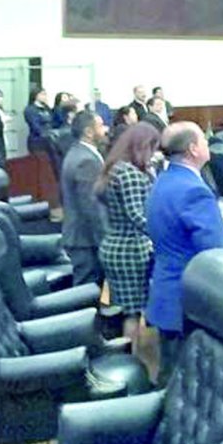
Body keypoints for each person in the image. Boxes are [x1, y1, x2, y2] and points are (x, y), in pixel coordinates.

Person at [145, 122, 223, 376]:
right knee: (185, 380)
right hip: (188, 300)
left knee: (170, 373)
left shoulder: (164, 180)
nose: (207, 143)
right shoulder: (194, 190)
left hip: (165, 290)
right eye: (204, 139)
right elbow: (217, 253)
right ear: (193, 149)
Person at [96, 123, 159, 364]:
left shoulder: (114, 168)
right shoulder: (130, 173)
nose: (153, 154)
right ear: (142, 146)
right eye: (152, 147)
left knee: (124, 311)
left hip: (114, 246)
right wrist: (162, 234)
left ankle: (123, 360)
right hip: (129, 251)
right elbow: (137, 215)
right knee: (132, 314)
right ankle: (130, 366)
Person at [60, 108, 107, 285]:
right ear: (88, 132)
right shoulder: (86, 161)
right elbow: (92, 207)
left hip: (82, 235)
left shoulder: (79, 153)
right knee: (85, 291)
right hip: (84, 239)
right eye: (101, 126)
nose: (106, 129)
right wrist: (105, 240)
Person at [24, 86, 52, 152]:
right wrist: (45, 133)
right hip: (37, 140)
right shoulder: (30, 109)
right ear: (35, 95)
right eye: (42, 94)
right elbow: (35, 125)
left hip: (49, 140)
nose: (45, 96)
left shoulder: (47, 108)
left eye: (45, 94)